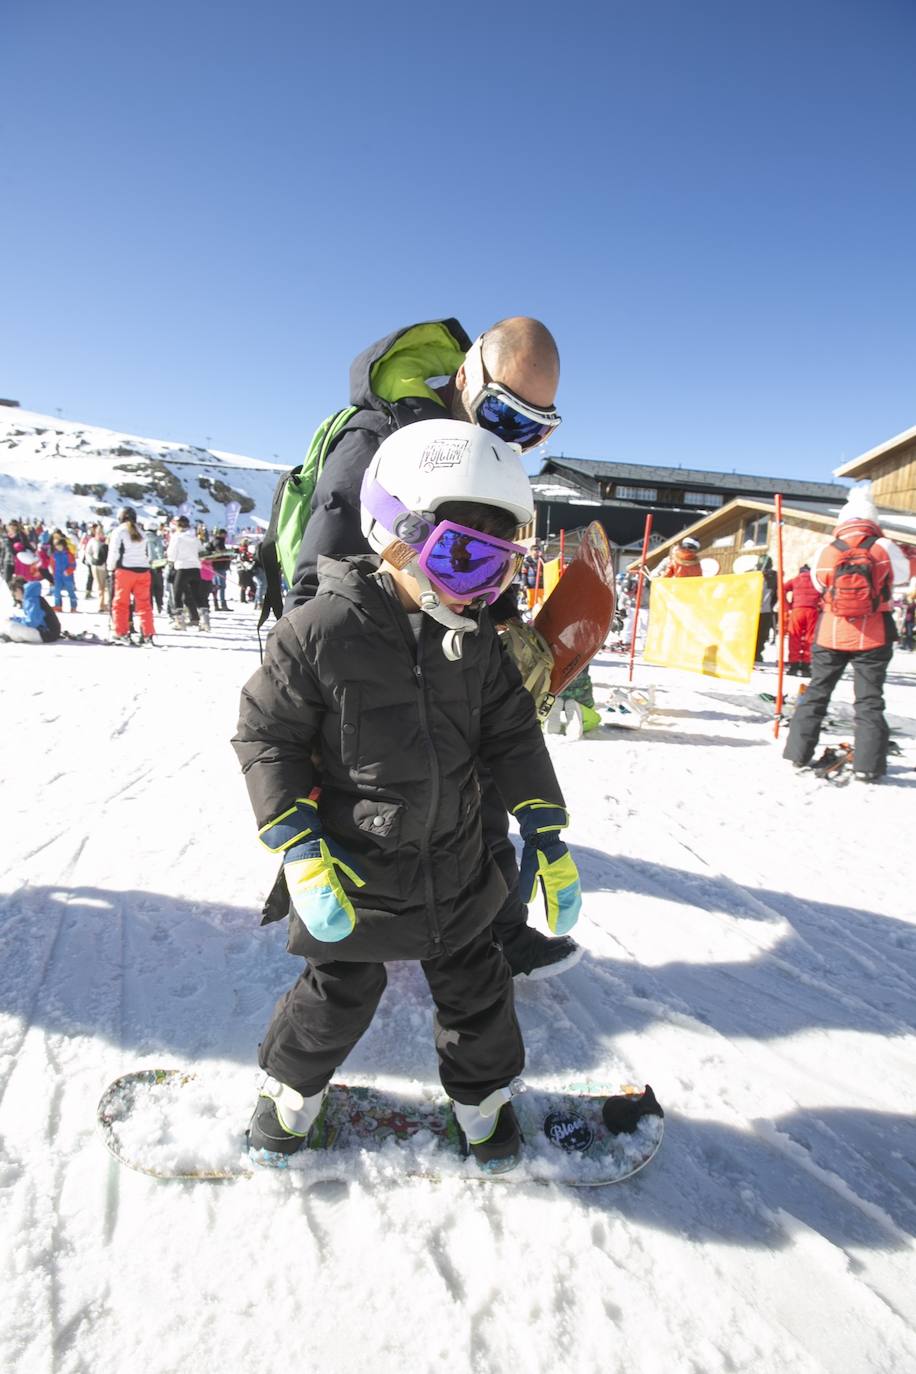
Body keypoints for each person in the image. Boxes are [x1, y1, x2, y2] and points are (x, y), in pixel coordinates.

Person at [232, 420, 582, 1171]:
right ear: (394, 533)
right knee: (336, 995)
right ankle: (290, 1100)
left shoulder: (478, 641)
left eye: (501, 569)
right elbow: (267, 738)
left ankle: (482, 1105)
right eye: (463, 558)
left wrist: (545, 830)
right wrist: (298, 847)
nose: (482, 590)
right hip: (354, 871)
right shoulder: (317, 632)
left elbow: (512, 737)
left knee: (481, 995)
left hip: (455, 868)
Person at [281, 316, 575, 981]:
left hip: (451, 657)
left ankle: (494, 935)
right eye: (503, 413)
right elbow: (316, 573)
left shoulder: (481, 455)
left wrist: (507, 631)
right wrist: (312, 700)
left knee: (480, 792)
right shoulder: (378, 437)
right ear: (467, 375)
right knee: (377, 812)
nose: (511, 438)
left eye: (534, 429)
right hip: (371, 665)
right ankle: (339, 962)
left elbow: (480, 558)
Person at [783, 488, 909, 782]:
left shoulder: (827, 549)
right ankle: (868, 766)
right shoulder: (884, 546)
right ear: (872, 520)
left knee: (816, 693)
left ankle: (797, 753)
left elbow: (817, 584)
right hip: (874, 634)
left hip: (830, 633)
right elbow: (902, 577)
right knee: (869, 700)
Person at [107, 506, 156, 645]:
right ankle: (147, 633)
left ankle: (121, 632)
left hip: (125, 571)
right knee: (144, 605)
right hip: (143, 571)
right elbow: (148, 553)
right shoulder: (141, 532)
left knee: (121, 603)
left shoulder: (119, 531)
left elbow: (114, 552)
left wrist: (110, 568)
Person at [167, 515, 209, 631]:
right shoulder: (194, 537)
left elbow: (171, 555)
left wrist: (170, 560)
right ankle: (205, 622)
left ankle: (180, 622)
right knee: (197, 595)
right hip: (195, 568)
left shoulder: (177, 537)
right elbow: (202, 551)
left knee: (177, 594)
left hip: (182, 568)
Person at [783, 563, 821, 676]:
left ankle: (793, 665)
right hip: (812, 611)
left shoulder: (795, 580)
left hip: (797, 610)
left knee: (794, 636)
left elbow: (782, 589)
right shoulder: (816, 580)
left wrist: (787, 605)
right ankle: (806, 666)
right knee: (810, 638)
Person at [2, 575, 61, 644]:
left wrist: (17, 622)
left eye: (13, 592)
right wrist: (16, 620)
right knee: (8, 622)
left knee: (12, 626)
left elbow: (32, 622)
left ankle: (11, 636)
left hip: (47, 634)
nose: (13, 595)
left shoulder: (32, 599)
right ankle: (10, 635)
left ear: (18, 589)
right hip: (46, 632)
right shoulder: (31, 598)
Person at [49, 529, 78, 612]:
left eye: (60, 546)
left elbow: (73, 565)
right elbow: (52, 564)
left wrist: (68, 571)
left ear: (64, 546)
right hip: (58, 576)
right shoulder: (54, 554)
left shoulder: (69, 555)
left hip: (67, 577)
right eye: (57, 546)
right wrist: (53, 572)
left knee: (71, 592)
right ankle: (58, 606)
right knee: (57, 592)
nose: (58, 547)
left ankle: (73, 606)